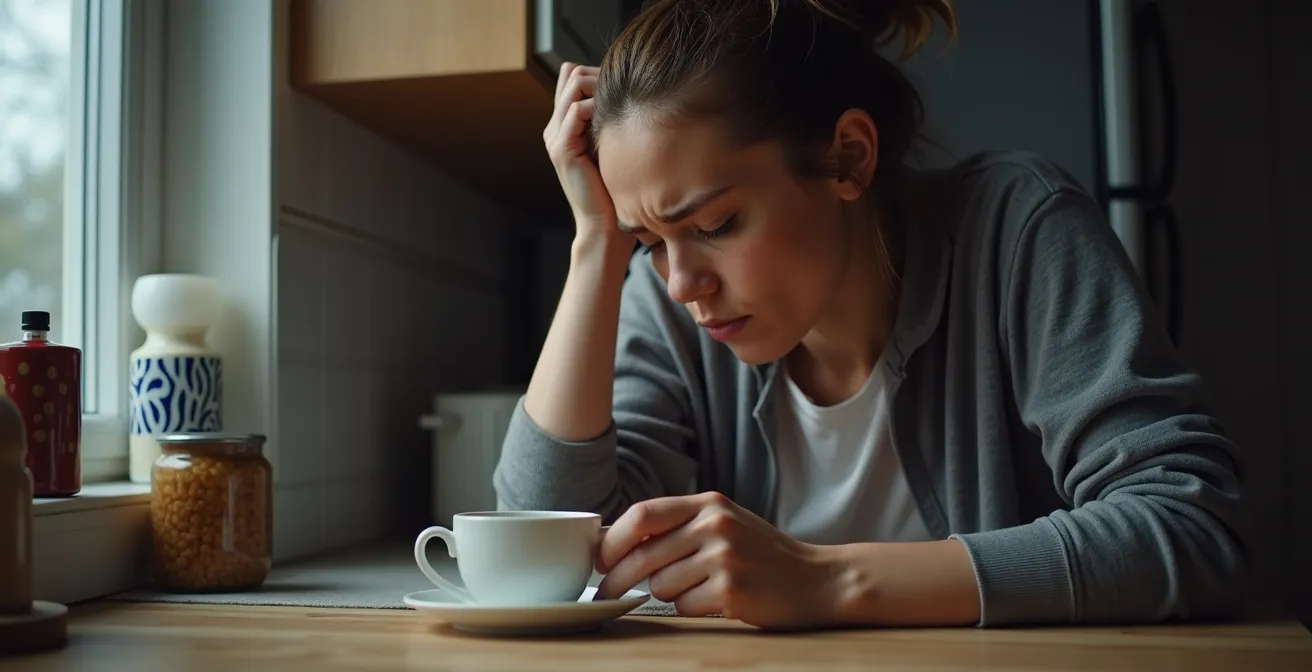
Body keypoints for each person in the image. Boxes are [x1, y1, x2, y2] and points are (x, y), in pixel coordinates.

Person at [492, 0, 1246, 630]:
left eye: (717, 225)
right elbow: (542, 547)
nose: (683, 282)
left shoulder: (1017, 229)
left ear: (849, 158)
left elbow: (1191, 526)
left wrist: (829, 581)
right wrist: (596, 247)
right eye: (649, 239)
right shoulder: (666, 296)